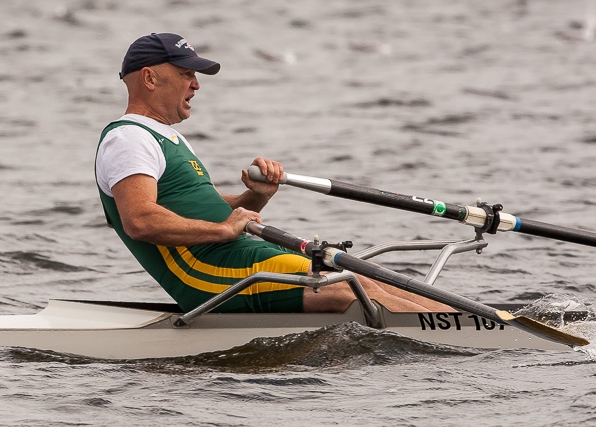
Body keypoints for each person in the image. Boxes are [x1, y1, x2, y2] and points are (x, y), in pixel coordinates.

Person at [95, 32, 449, 314]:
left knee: (361, 278)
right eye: (186, 74)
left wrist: (257, 195)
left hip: (238, 256)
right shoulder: (128, 139)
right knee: (346, 286)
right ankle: (470, 338)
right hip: (208, 273)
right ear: (150, 78)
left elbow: (201, 209)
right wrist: (222, 229)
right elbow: (140, 220)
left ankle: (470, 326)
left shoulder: (164, 137)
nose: (196, 85)